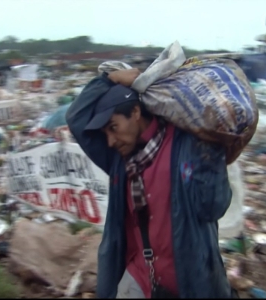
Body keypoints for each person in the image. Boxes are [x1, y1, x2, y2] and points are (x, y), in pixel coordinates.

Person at [66, 69, 236, 298]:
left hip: (189, 281)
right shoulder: (120, 160)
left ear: (135, 112)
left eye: (113, 127)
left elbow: (213, 208)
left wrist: (212, 150)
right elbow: (76, 118)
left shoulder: (184, 147)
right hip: (139, 278)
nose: (109, 141)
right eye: (105, 132)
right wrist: (108, 79)